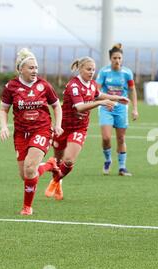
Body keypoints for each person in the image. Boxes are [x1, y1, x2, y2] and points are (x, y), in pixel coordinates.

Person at [44, 56, 129, 200]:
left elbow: (98, 94)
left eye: (93, 69)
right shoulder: (74, 86)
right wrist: (101, 103)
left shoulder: (91, 84)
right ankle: (58, 185)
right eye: (88, 69)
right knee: (58, 161)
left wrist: (116, 98)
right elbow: (79, 107)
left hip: (79, 128)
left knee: (69, 160)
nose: (92, 72)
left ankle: (55, 182)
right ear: (80, 69)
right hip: (63, 127)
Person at [0, 48, 63, 215]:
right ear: (20, 69)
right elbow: (3, 109)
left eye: (36, 67)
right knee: (26, 174)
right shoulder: (11, 86)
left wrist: (58, 124)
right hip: (20, 134)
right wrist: (4, 126)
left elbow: (56, 105)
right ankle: (50, 165)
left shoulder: (44, 85)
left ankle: (27, 207)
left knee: (29, 168)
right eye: (31, 68)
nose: (35, 71)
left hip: (41, 130)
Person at [96, 44, 139, 176]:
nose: (117, 60)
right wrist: (103, 101)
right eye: (115, 58)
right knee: (106, 137)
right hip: (106, 107)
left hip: (121, 108)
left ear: (122, 59)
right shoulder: (104, 72)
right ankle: (108, 160)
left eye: (119, 58)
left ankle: (122, 167)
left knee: (121, 138)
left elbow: (132, 90)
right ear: (110, 58)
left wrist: (135, 109)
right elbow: (96, 90)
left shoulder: (127, 73)